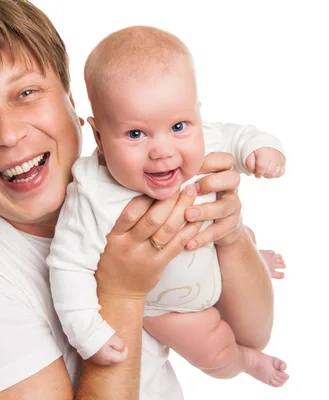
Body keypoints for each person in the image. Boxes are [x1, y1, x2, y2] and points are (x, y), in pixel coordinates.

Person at [0, 0, 276, 399]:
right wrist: (121, 294)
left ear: (72, 106)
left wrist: (231, 238)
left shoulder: (127, 188)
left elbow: (252, 334)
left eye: (26, 92)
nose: (8, 133)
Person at [47, 26, 289, 388]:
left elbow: (238, 135)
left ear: (196, 113)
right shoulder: (91, 193)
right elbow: (68, 265)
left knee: (231, 230)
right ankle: (246, 360)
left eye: (178, 125)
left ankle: (251, 254)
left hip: (211, 251)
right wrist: (88, 332)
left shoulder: (204, 139)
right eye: (135, 134)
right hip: (167, 308)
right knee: (215, 353)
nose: (162, 151)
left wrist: (261, 150)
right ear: (98, 136)